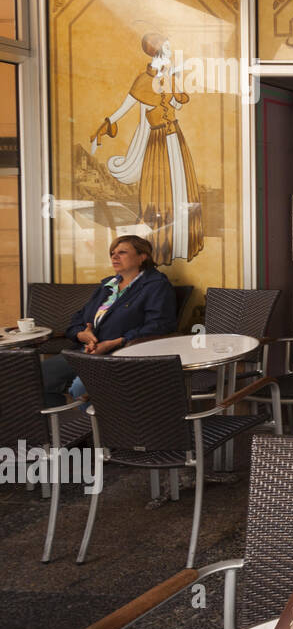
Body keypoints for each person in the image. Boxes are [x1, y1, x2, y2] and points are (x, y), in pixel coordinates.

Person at [90, 33, 203, 266]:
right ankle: (163, 245)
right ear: (158, 52)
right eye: (167, 48)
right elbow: (124, 108)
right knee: (160, 194)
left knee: (180, 189)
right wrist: (102, 129)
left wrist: (175, 81)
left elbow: (178, 104)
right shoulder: (143, 81)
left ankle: (181, 243)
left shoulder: (170, 78)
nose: (171, 52)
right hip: (158, 142)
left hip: (175, 138)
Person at [41, 235, 178, 408]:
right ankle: (59, 422)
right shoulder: (108, 285)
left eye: (122, 252)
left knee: (80, 388)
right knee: (36, 376)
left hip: (121, 355)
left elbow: (160, 325)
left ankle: (102, 425)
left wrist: (117, 341)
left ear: (142, 257)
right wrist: (82, 335)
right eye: (112, 253)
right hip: (87, 351)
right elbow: (78, 318)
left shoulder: (156, 285)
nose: (114, 257)